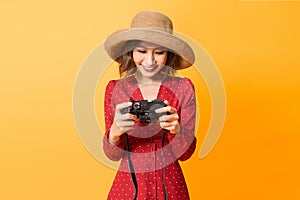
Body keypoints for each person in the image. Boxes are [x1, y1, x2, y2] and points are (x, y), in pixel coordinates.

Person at [103, 10, 197, 200]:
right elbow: (112, 154)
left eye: (159, 52)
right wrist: (114, 133)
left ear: (169, 54)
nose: (150, 61)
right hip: (128, 188)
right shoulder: (116, 89)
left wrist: (177, 130)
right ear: (131, 51)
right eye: (142, 51)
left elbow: (186, 154)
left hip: (170, 187)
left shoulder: (183, 88)